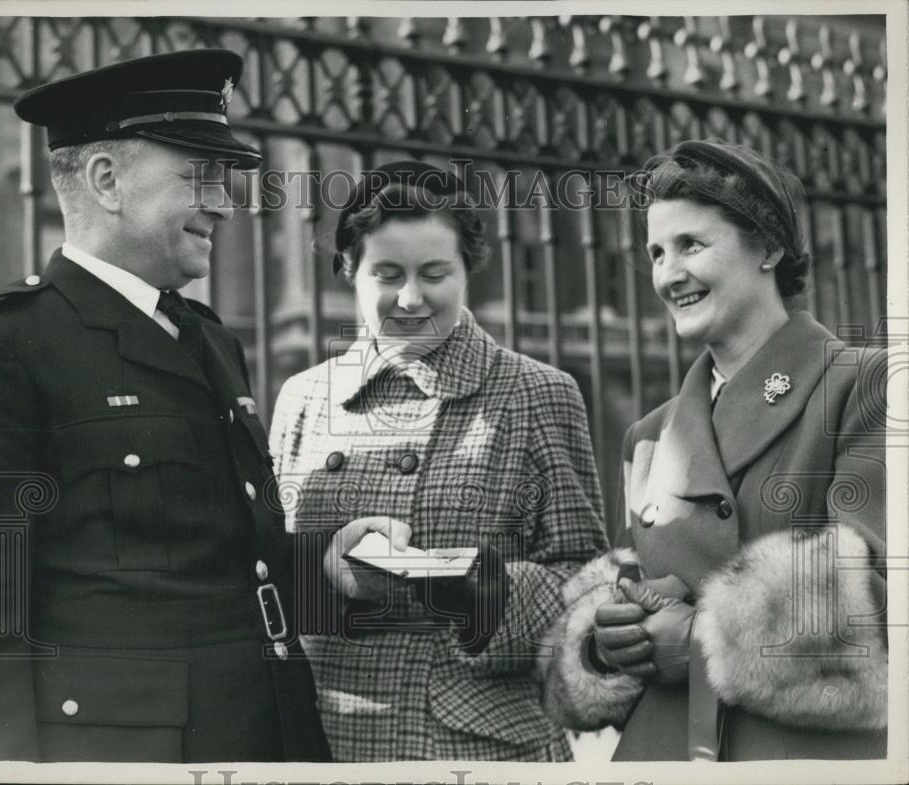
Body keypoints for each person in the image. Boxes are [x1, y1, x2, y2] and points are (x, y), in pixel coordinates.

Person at [0, 49, 330, 763]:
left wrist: (334, 564)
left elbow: (225, 564)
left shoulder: (205, 338)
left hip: (264, 739)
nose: (224, 201)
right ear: (107, 181)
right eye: (199, 177)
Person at [540, 139, 888, 760]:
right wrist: (605, 643)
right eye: (655, 253)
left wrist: (706, 640)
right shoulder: (648, 436)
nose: (668, 275)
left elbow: (887, 596)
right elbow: (636, 590)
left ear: (769, 247)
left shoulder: (865, 385)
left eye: (691, 246)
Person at [268, 161, 609, 761]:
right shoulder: (302, 397)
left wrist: (483, 594)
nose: (409, 298)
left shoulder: (536, 392)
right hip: (325, 735)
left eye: (434, 274)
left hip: (476, 746)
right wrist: (332, 572)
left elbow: (585, 580)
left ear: (467, 272)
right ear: (351, 271)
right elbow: (265, 573)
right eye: (386, 274)